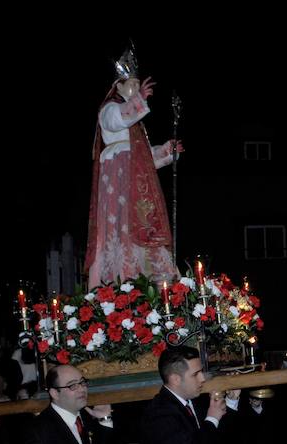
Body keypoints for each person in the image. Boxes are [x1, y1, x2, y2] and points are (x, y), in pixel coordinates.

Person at [87, 44, 182, 288]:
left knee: (141, 227)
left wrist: (166, 151)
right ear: (117, 86)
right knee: (121, 229)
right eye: (132, 85)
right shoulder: (108, 110)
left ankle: (150, 280)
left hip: (136, 186)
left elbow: (145, 158)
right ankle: (119, 279)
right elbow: (118, 118)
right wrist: (139, 101)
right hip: (117, 184)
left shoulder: (135, 128)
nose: (137, 89)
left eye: (138, 85)